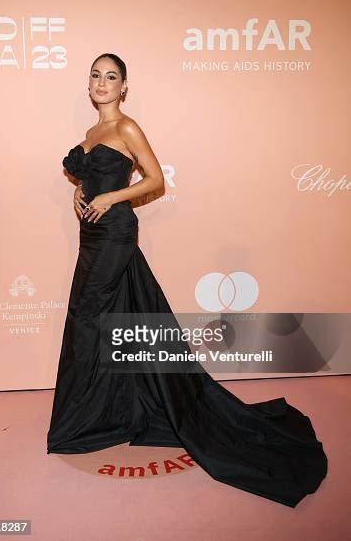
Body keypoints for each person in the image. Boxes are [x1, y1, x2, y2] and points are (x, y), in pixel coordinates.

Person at [47, 53, 328, 508]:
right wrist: (80, 189)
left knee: (85, 320)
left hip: (116, 233)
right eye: (96, 76)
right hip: (90, 235)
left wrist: (114, 194)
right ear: (90, 85)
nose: (102, 83)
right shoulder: (90, 134)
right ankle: (115, 411)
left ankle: (83, 422)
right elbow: (92, 175)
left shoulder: (127, 127)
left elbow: (156, 179)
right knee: (111, 319)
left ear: (124, 87)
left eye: (111, 77)